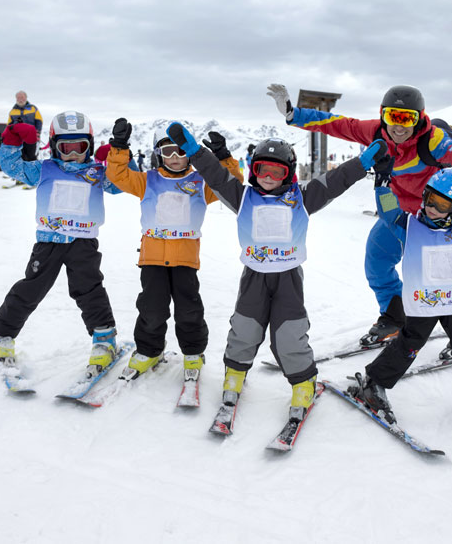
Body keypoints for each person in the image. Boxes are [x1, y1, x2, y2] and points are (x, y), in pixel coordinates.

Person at [165, 120, 387, 425]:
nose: (268, 178)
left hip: (288, 280)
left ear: (289, 173)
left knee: (289, 334)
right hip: (254, 278)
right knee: (244, 328)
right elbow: (215, 175)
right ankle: (234, 376)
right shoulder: (242, 197)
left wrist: (362, 163)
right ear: (253, 170)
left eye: (277, 172)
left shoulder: (302, 197)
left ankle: (303, 383)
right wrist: (193, 151)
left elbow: (335, 181)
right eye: (262, 171)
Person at [267, 84, 452, 347]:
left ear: (419, 118)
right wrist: (294, 114)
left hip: (433, 219)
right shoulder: (376, 133)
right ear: (384, 115)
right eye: (394, 116)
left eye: (407, 118)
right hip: (399, 213)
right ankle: (396, 316)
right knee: (377, 262)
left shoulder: (433, 140)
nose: (399, 126)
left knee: (445, 277)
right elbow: (338, 124)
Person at [353, 158, 452, 429]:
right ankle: (374, 382)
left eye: (441, 205)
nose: (430, 208)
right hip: (423, 304)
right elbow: (390, 212)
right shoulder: (410, 226)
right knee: (409, 344)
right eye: (429, 199)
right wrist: (382, 186)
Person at [0, 111, 123, 376]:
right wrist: (12, 142)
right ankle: (1, 335)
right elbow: (13, 167)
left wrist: (116, 161)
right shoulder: (43, 169)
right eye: (65, 147)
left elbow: (121, 185)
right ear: (54, 146)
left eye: (79, 147)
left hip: (83, 243)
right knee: (31, 289)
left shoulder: (96, 171)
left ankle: (104, 339)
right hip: (49, 243)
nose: (73, 154)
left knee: (90, 290)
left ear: (89, 147)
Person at [104, 120, 243, 383]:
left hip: (185, 259)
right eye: (168, 152)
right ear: (159, 154)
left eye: (181, 151)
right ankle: (148, 351)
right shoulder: (147, 181)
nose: (176, 158)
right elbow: (118, 176)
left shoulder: (202, 182)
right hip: (152, 259)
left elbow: (231, 184)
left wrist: (223, 159)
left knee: (189, 310)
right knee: (151, 309)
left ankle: (193, 353)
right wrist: (119, 147)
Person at [8, 91, 43, 162]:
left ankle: (32, 172)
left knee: (31, 157)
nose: (20, 99)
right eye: (18, 98)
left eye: (22, 97)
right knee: (19, 157)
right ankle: (21, 172)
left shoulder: (33, 108)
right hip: (18, 139)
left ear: (26, 98)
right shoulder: (13, 111)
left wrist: (37, 132)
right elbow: (9, 125)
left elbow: (39, 121)